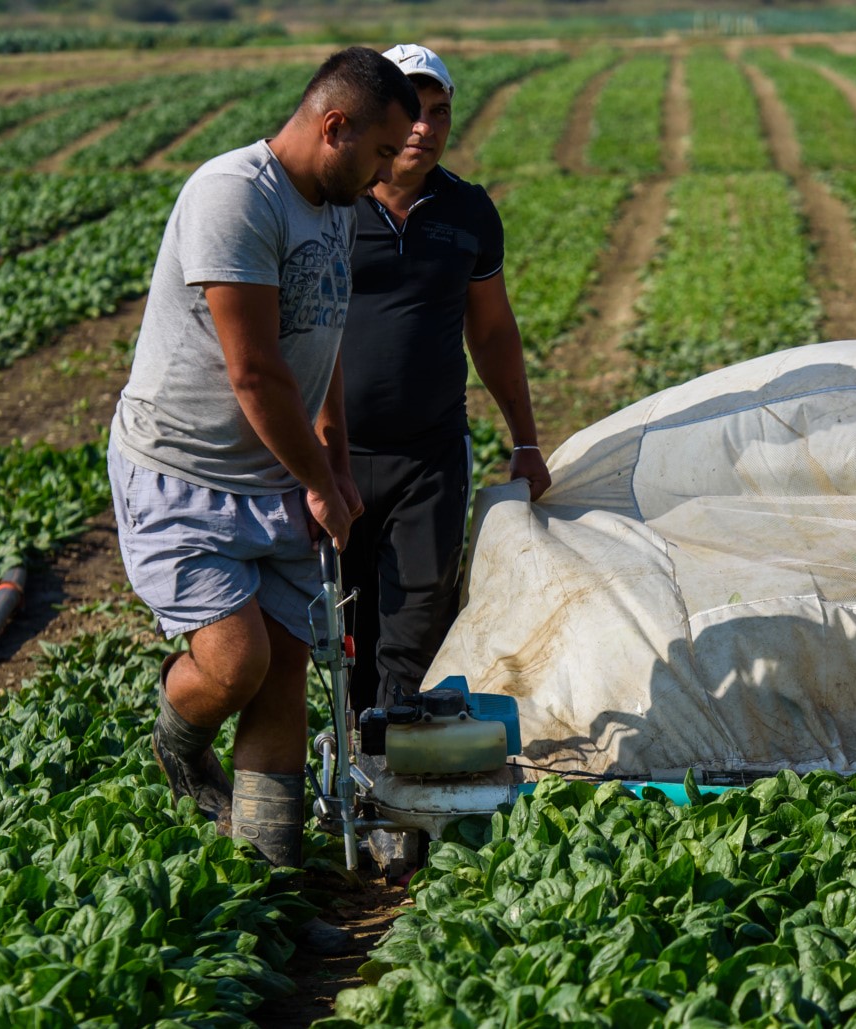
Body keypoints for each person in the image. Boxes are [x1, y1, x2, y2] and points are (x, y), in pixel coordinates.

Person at [108, 47, 419, 880]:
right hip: (182, 470)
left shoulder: (338, 204)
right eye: (383, 152)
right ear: (334, 126)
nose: (391, 171)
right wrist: (320, 481)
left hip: (273, 476)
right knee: (236, 661)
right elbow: (254, 373)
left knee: (283, 674)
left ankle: (268, 880)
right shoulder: (233, 198)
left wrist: (339, 468)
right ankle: (178, 739)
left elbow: (321, 348)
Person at [340, 44, 550, 714]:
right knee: (341, 625)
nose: (425, 127)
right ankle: (347, 764)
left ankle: (394, 789)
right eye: (413, 112)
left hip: (428, 457)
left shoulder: (467, 213)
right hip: (331, 457)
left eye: (440, 112)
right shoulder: (328, 209)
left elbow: (490, 333)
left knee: (414, 629)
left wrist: (526, 440)